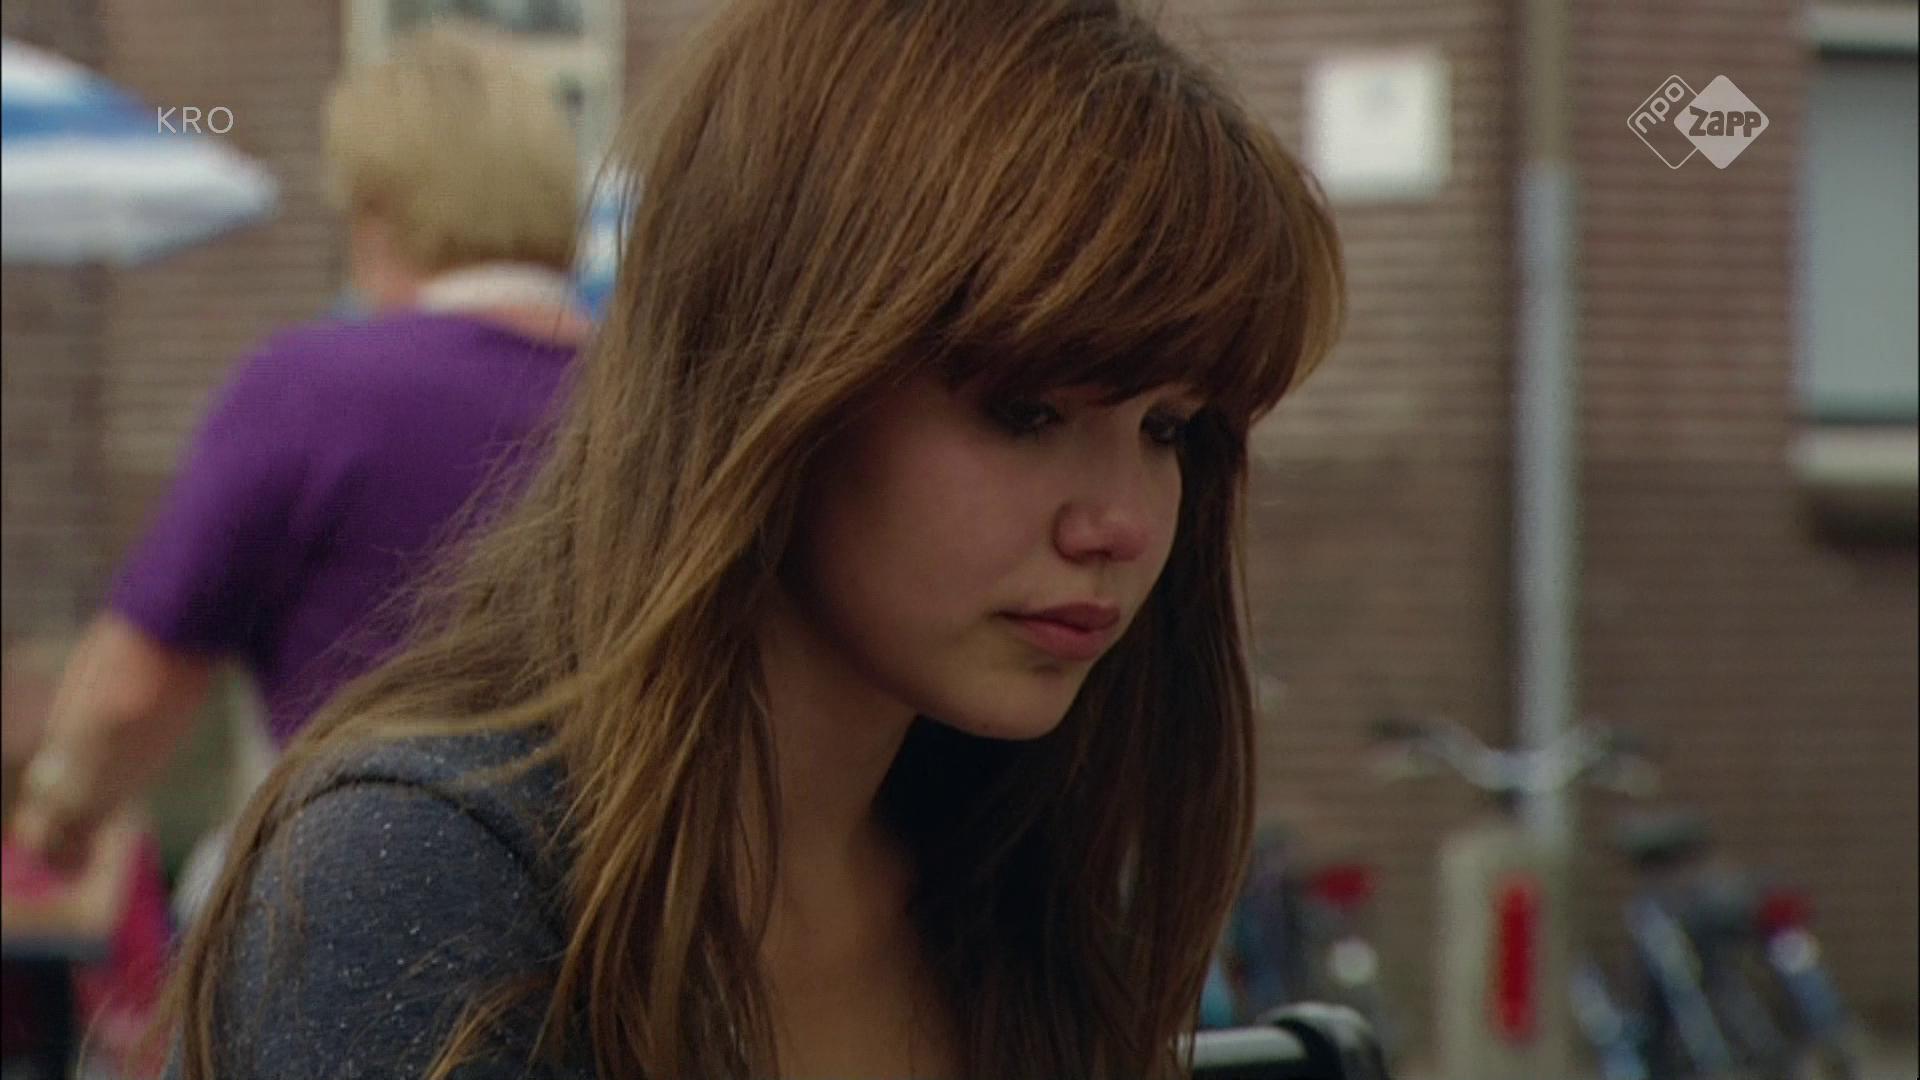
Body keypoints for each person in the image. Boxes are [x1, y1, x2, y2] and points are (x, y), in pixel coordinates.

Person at [157, 1, 1346, 1077]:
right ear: (778, 374)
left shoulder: (1029, 889)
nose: (1120, 522)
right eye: (1025, 413)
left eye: (1168, 428)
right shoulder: (425, 882)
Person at [9, 25, 591, 877]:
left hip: (350, 887)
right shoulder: (652, 393)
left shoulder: (312, 390)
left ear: (380, 209)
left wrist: (54, 820)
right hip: (614, 897)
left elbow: (133, 689)